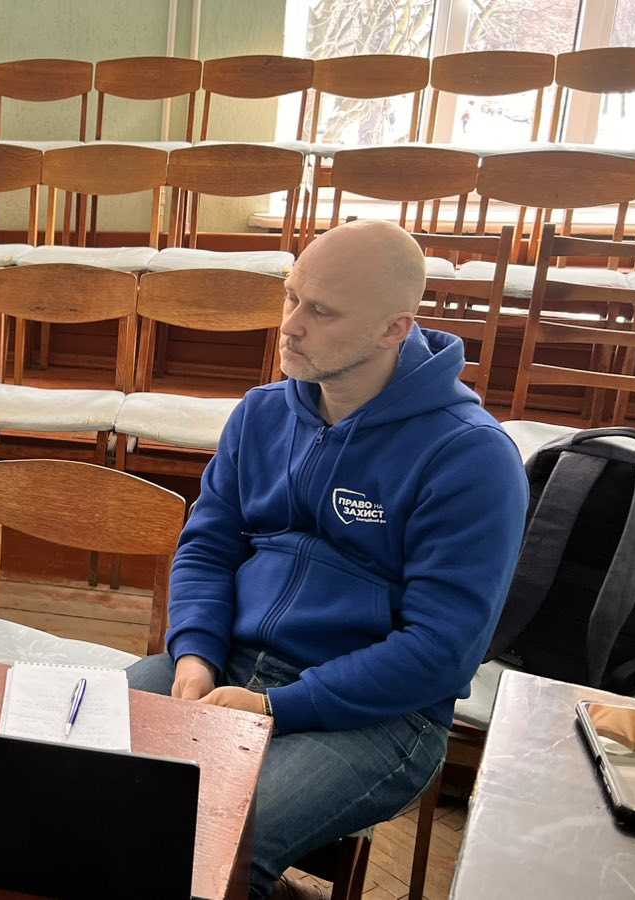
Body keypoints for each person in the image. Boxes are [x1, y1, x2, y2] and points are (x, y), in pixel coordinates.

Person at [126, 220, 529, 900]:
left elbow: (441, 650)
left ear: (393, 329)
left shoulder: (472, 457)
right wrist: (194, 653)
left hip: (381, 714)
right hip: (225, 663)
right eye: (291, 297)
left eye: (321, 310)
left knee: (207, 848)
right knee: (63, 779)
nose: (290, 325)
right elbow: (208, 547)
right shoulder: (261, 414)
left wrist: (277, 705)